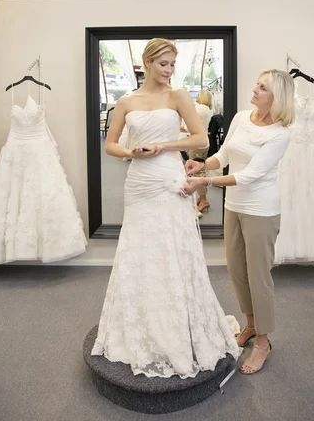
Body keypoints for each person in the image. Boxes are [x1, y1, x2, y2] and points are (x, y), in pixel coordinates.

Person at [91, 38, 241, 378]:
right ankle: (142, 323)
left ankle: (177, 325)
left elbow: (201, 139)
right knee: (140, 249)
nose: (170, 70)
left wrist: (162, 145)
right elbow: (112, 145)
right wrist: (133, 154)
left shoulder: (178, 96)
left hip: (167, 176)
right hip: (140, 181)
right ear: (147, 62)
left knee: (173, 247)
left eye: (173, 64)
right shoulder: (126, 101)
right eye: (164, 64)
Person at [184, 69, 294, 375]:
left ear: (277, 98)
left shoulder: (281, 134)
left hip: (261, 210)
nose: (255, 90)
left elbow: (251, 174)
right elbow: (225, 154)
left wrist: (203, 181)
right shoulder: (241, 118)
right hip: (234, 206)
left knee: (259, 276)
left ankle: (262, 342)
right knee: (236, 270)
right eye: (257, 84)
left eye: (263, 88)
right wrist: (201, 164)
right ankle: (249, 324)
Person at [188, 90, 213, 213]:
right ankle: (202, 197)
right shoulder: (208, 109)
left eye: (198, 95)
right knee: (201, 170)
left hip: (197, 142)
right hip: (204, 142)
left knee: (196, 171)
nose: (196, 97)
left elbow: (190, 125)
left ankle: (203, 200)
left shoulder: (199, 109)